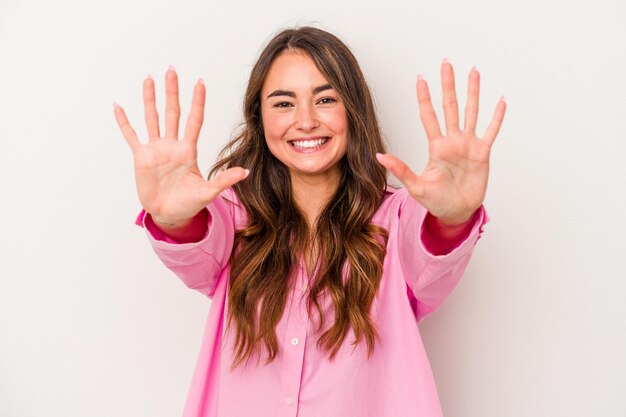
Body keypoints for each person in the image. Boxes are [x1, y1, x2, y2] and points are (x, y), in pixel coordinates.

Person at [114, 26, 505, 417]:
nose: (305, 121)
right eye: (283, 103)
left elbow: (430, 264)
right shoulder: (233, 218)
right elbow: (196, 251)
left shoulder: (397, 218)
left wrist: (452, 218)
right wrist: (174, 219)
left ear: (352, 109)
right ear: (259, 117)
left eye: (325, 99)